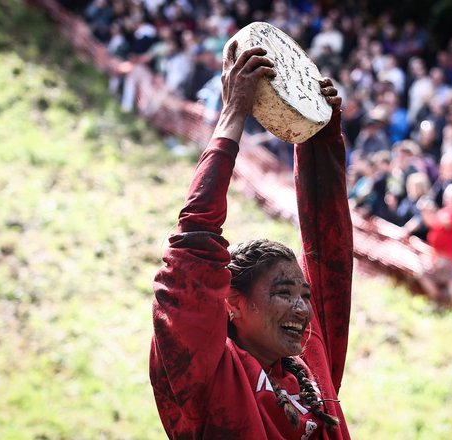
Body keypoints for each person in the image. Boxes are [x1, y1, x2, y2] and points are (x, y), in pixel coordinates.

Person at [150, 42, 353, 439]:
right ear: (232, 303)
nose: (301, 307)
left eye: (305, 296)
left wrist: (318, 138)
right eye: (283, 292)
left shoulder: (311, 362)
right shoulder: (206, 373)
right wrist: (232, 114)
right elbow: (193, 245)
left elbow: (330, 254)